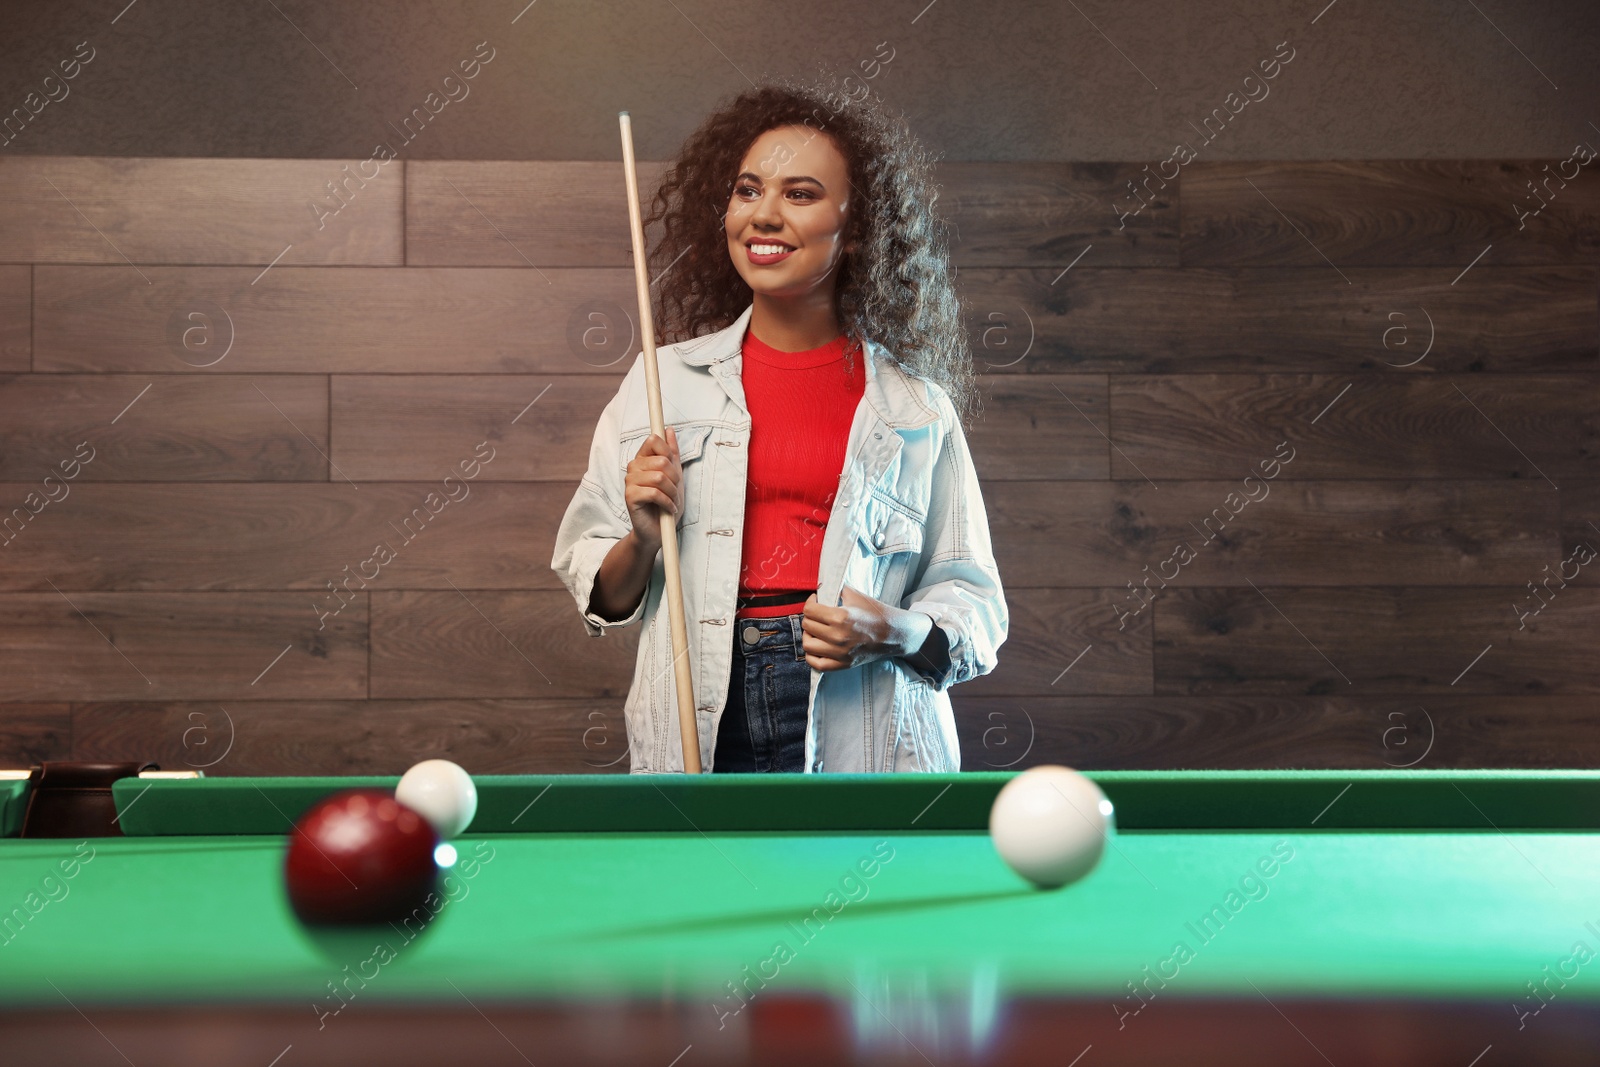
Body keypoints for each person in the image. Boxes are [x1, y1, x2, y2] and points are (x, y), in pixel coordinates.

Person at [551, 82, 1007, 774]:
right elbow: (604, 595)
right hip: (706, 695)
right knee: (708, 883)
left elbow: (974, 604)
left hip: (866, 709)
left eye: (800, 194)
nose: (763, 215)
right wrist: (644, 537)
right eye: (747, 190)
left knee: (861, 880)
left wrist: (890, 630)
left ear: (856, 228)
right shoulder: (661, 383)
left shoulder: (916, 408)